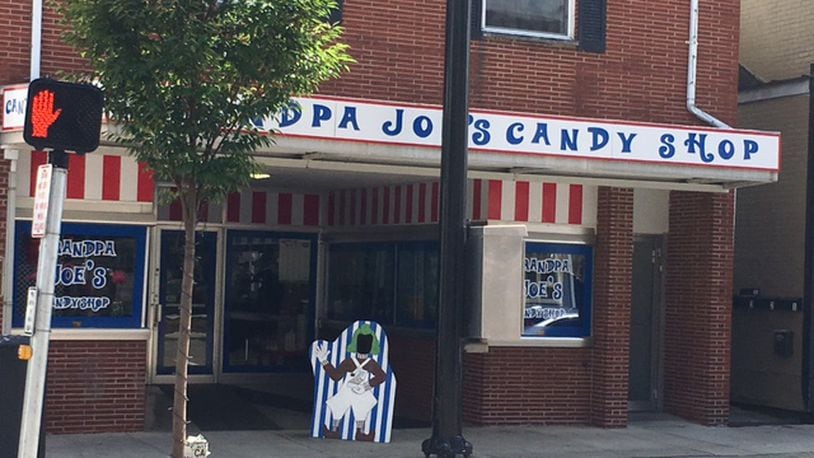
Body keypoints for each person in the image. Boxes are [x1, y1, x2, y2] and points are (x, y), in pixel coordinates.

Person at [313, 325, 386, 441]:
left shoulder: (349, 362)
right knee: (358, 409)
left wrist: (324, 361)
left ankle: (335, 430)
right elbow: (382, 376)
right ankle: (359, 432)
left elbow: (335, 376)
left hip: (349, 391)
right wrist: (367, 386)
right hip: (360, 392)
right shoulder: (371, 363)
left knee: (341, 408)